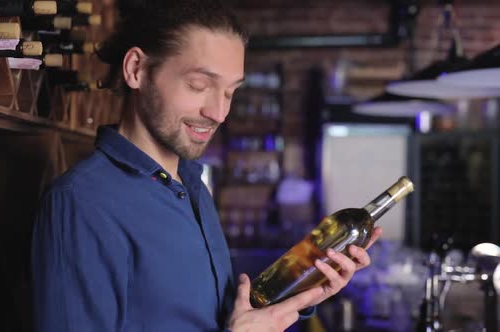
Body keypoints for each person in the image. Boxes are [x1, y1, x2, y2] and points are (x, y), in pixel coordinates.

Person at [31, 1, 382, 331]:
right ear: (136, 70)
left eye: (230, 92)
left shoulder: (190, 184)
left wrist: (303, 287)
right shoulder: (82, 203)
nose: (218, 112)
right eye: (199, 85)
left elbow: (211, 314)